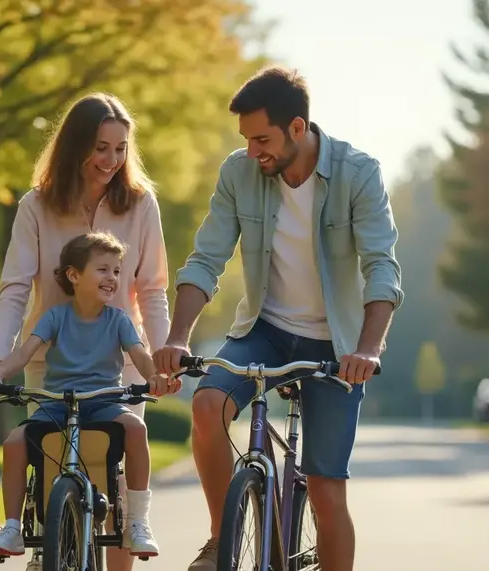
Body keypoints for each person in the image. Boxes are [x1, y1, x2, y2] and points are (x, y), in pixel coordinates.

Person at [152, 65, 403, 571]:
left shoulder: (358, 173)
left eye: (261, 139)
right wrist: (177, 337)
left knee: (327, 490)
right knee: (206, 407)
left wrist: (368, 349)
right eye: (245, 140)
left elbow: (382, 267)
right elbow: (206, 259)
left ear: (297, 127)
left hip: (337, 347)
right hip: (263, 331)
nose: (252, 152)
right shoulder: (238, 173)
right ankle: (225, 536)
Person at [0, 92, 170, 571]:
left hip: (120, 364)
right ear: (74, 147)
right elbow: (15, 288)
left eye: (121, 148)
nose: (111, 160)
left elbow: (150, 291)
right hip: (50, 362)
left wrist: (165, 359)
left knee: (117, 497)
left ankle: (128, 530)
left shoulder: (140, 205)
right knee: (50, 482)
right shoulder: (37, 206)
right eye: (101, 148)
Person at [0, 232, 181, 560]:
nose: (112, 277)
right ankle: (12, 527)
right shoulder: (55, 317)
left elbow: (140, 356)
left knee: (137, 429)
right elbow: (24, 353)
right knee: (14, 442)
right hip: (56, 404)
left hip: (103, 402)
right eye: (103, 269)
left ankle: (138, 522)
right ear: (74, 275)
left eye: (116, 270)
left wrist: (155, 378)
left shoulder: (118, 320)